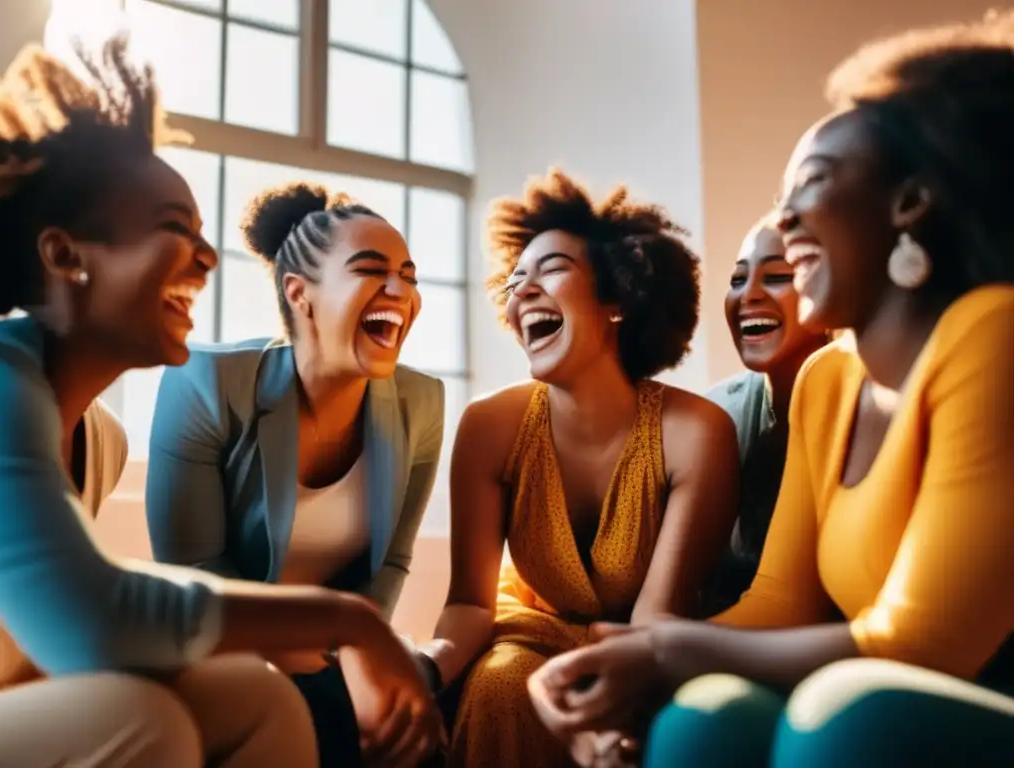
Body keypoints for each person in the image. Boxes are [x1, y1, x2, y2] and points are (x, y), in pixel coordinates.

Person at [526, 11, 1014, 767]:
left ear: (910, 202)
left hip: (961, 700)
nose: (784, 219)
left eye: (812, 184)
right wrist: (622, 658)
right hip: (879, 693)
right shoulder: (825, 380)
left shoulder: (995, 333)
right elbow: (777, 605)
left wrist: (664, 651)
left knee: (853, 716)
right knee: (705, 715)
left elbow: (927, 645)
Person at [0, 35, 435, 767]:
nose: (207, 258)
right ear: (66, 256)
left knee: (252, 697)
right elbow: (88, 620)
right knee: (135, 716)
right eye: (174, 229)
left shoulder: (101, 439)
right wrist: (348, 622)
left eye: (203, 234)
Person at [421, 168, 740, 767]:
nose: (523, 292)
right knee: (499, 679)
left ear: (617, 299)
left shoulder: (696, 432)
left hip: (649, 648)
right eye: (515, 281)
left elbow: (656, 619)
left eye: (551, 269)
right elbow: (468, 603)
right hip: (524, 638)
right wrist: (421, 667)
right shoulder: (489, 426)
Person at [146, 180, 445, 766]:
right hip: (223, 645)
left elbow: (390, 564)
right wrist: (322, 656)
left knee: (414, 728)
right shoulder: (204, 382)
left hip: (339, 649)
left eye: (408, 275)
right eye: (371, 269)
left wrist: (357, 658)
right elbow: (193, 570)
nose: (400, 290)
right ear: (299, 293)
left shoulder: (423, 403)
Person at [701, 215, 829, 616]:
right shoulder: (714, 416)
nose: (749, 295)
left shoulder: (865, 409)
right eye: (738, 279)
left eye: (776, 276)